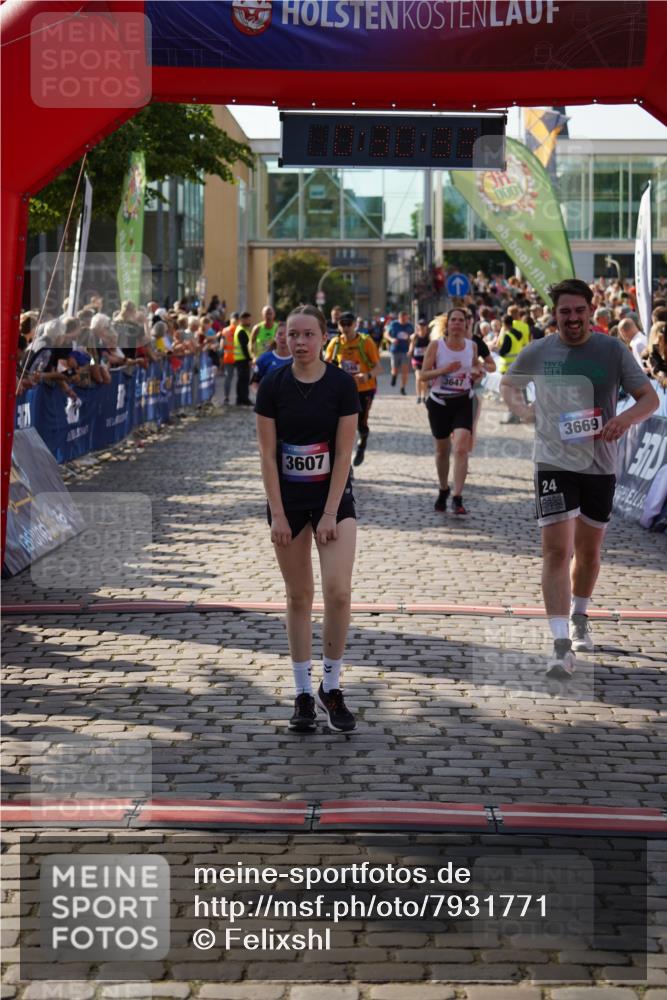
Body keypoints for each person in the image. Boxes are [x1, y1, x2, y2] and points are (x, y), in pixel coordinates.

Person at [501, 278, 658, 678]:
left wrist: (622, 420)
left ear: (591, 311)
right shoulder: (539, 351)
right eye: (564, 312)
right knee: (556, 550)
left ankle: (580, 613)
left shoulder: (611, 350)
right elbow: (509, 384)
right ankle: (559, 643)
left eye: (578, 310)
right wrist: (523, 410)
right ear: (554, 315)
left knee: (588, 551)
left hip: (599, 464)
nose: (572, 318)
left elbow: (651, 398)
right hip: (553, 463)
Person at [255, 305, 360, 734]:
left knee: (337, 591)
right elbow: (266, 454)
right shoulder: (272, 384)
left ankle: (331, 686)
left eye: (308, 335)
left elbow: (343, 453)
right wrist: (278, 513)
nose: (299, 342)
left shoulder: (341, 384)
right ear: (283, 338)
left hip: (333, 497)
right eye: (292, 335)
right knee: (299, 596)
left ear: (322, 337)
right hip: (288, 500)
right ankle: (301, 693)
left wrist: (332, 511)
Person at [420, 308, 492, 515]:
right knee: (442, 450)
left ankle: (457, 497)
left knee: (461, 448)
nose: (458, 324)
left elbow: (473, 370)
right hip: (439, 403)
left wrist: (476, 375)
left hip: (463, 401)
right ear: (448, 324)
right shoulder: (436, 346)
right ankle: (444, 488)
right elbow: (424, 375)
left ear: (466, 324)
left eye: (462, 320)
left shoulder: (472, 346)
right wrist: (444, 370)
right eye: (454, 320)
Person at [325, 310, 381, 467]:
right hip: (342, 391)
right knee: (342, 428)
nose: (346, 327)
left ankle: (362, 442)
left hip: (364, 389)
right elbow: (325, 365)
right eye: (342, 324)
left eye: (349, 324)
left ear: (355, 324)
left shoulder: (365, 342)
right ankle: (346, 466)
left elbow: (378, 368)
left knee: (360, 424)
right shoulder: (335, 343)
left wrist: (366, 376)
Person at [495, 313, 531, 423]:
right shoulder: (519, 334)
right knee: (518, 392)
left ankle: (513, 417)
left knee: (509, 393)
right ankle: (522, 415)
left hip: (508, 368)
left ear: (504, 324)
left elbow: (503, 352)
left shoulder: (508, 336)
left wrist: (495, 350)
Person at [250, 320, 292, 387]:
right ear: (274, 337)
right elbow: (254, 383)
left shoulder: (298, 359)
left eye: (287, 334)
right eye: (280, 334)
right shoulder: (264, 358)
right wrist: (262, 396)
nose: (283, 337)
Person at [386, 309, 413, 394]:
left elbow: (413, 338)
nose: (404, 321)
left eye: (406, 319)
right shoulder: (393, 324)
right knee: (394, 369)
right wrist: (391, 339)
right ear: (399, 318)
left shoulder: (410, 326)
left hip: (405, 351)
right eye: (402, 319)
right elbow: (386, 334)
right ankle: (394, 376)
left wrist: (410, 345)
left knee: (405, 371)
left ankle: (403, 388)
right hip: (395, 350)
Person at [408, 316, 431, 404]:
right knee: (418, 377)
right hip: (416, 360)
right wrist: (410, 351)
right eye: (420, 325)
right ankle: (418, 396)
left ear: (426, 326)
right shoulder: (415, 336)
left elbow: (432, 346)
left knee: (424, 379)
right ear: (417, 326)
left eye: (423, 325)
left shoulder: (429, 337)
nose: (422, 327)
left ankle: (423, 396)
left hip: (426, 360)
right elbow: (412, 345)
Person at [233, 311, 253, 406]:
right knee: (243, 380)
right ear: (243, 320)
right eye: (248, 319)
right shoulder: (241, 330)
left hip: (241, 359)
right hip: (242, 359)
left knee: (242, 380)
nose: (250, 321)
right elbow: (244, 347)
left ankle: (242, 399)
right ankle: (243, 399)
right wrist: (249, 359)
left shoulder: (242, 329)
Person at [220, 311, 238, 404]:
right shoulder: (240, 329)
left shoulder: (225, 330)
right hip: (239, 357)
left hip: (228, 357)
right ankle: (239, 398)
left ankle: (226, 397)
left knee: (228, 378)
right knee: (239, 379)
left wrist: (220, 356)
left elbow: (222, 345)